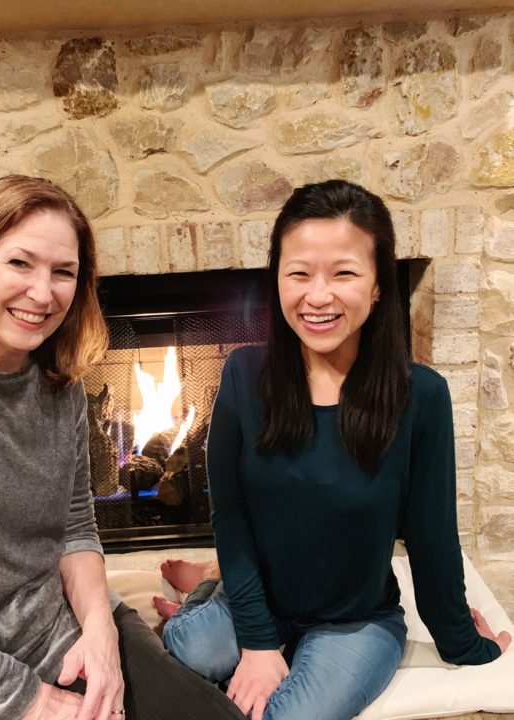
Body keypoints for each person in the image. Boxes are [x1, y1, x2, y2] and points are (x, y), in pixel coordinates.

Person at [0, 175, 246, 720]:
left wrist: (100, 637)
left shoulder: (60, 378)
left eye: (63, 272)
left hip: (60, 628)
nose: (43, 293)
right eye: (20, 264)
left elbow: (76, 525)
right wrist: (31, 700)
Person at [153, 180, 511, 720]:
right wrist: (257, 642)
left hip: (356, 620)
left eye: (343, 273)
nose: (317, 296)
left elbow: (432, 535)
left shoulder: (422, 396)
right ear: (277, 279)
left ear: (377, 286)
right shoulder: (243, 376)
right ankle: (211, 586)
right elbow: (230, 511)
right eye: (298, 273)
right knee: (185, 651)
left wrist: (466, 644)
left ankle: (209, 581)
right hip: (264, 601)